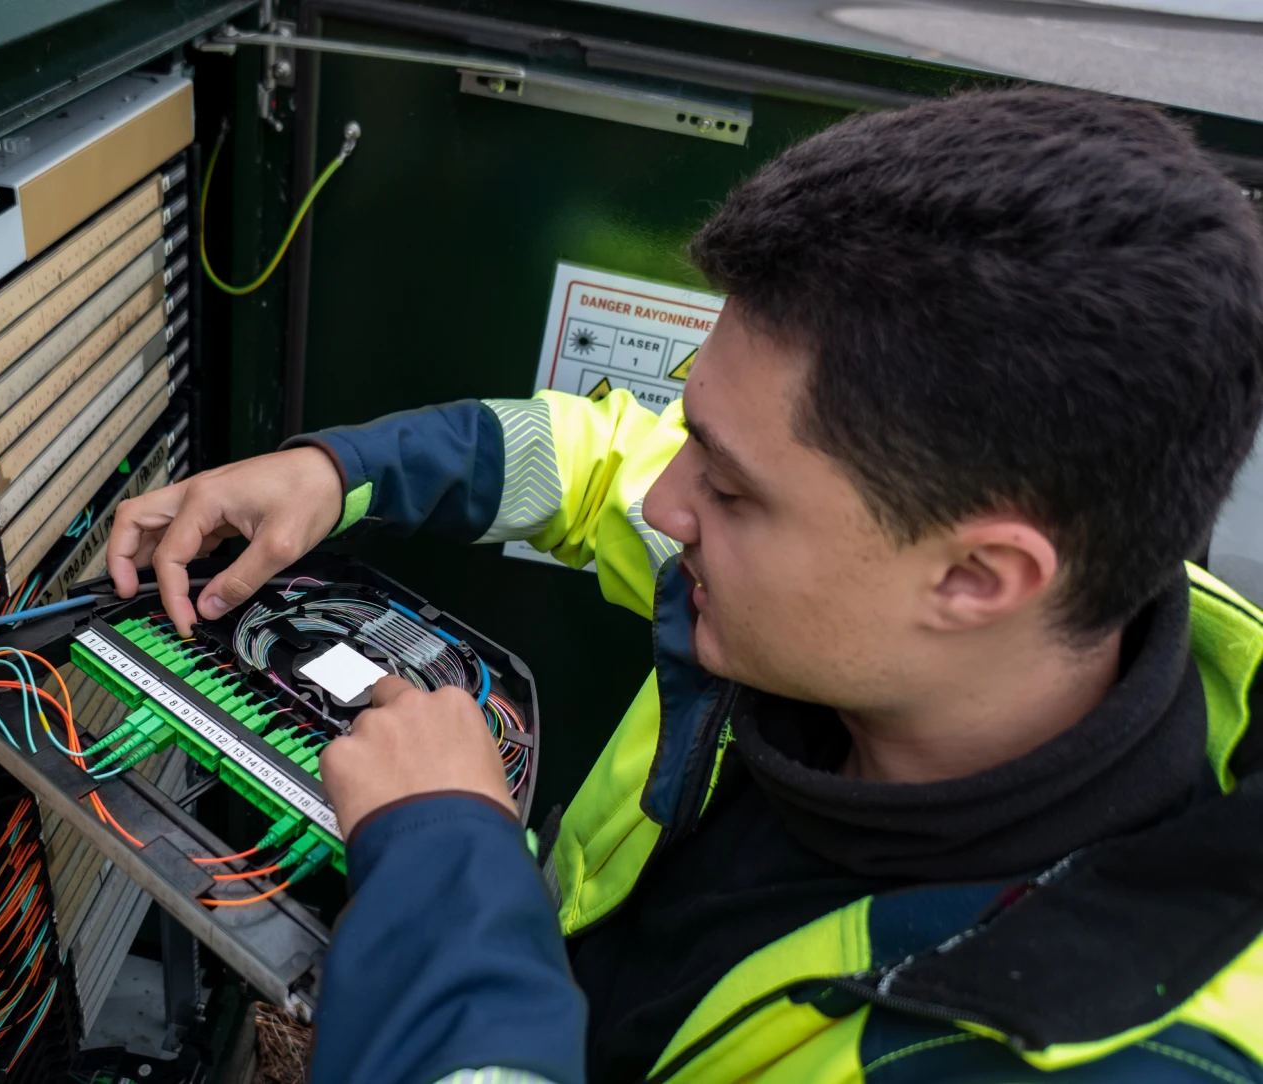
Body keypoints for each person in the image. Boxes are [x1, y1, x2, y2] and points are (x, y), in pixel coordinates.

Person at [108, 87, 1263, 1083]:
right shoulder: (850, 596)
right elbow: (594, 458)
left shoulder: (1082, 1045)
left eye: (737, 488)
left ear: (977, 575)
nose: (666, 505)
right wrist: (337, 470)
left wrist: (445, 864)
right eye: (694, 434)